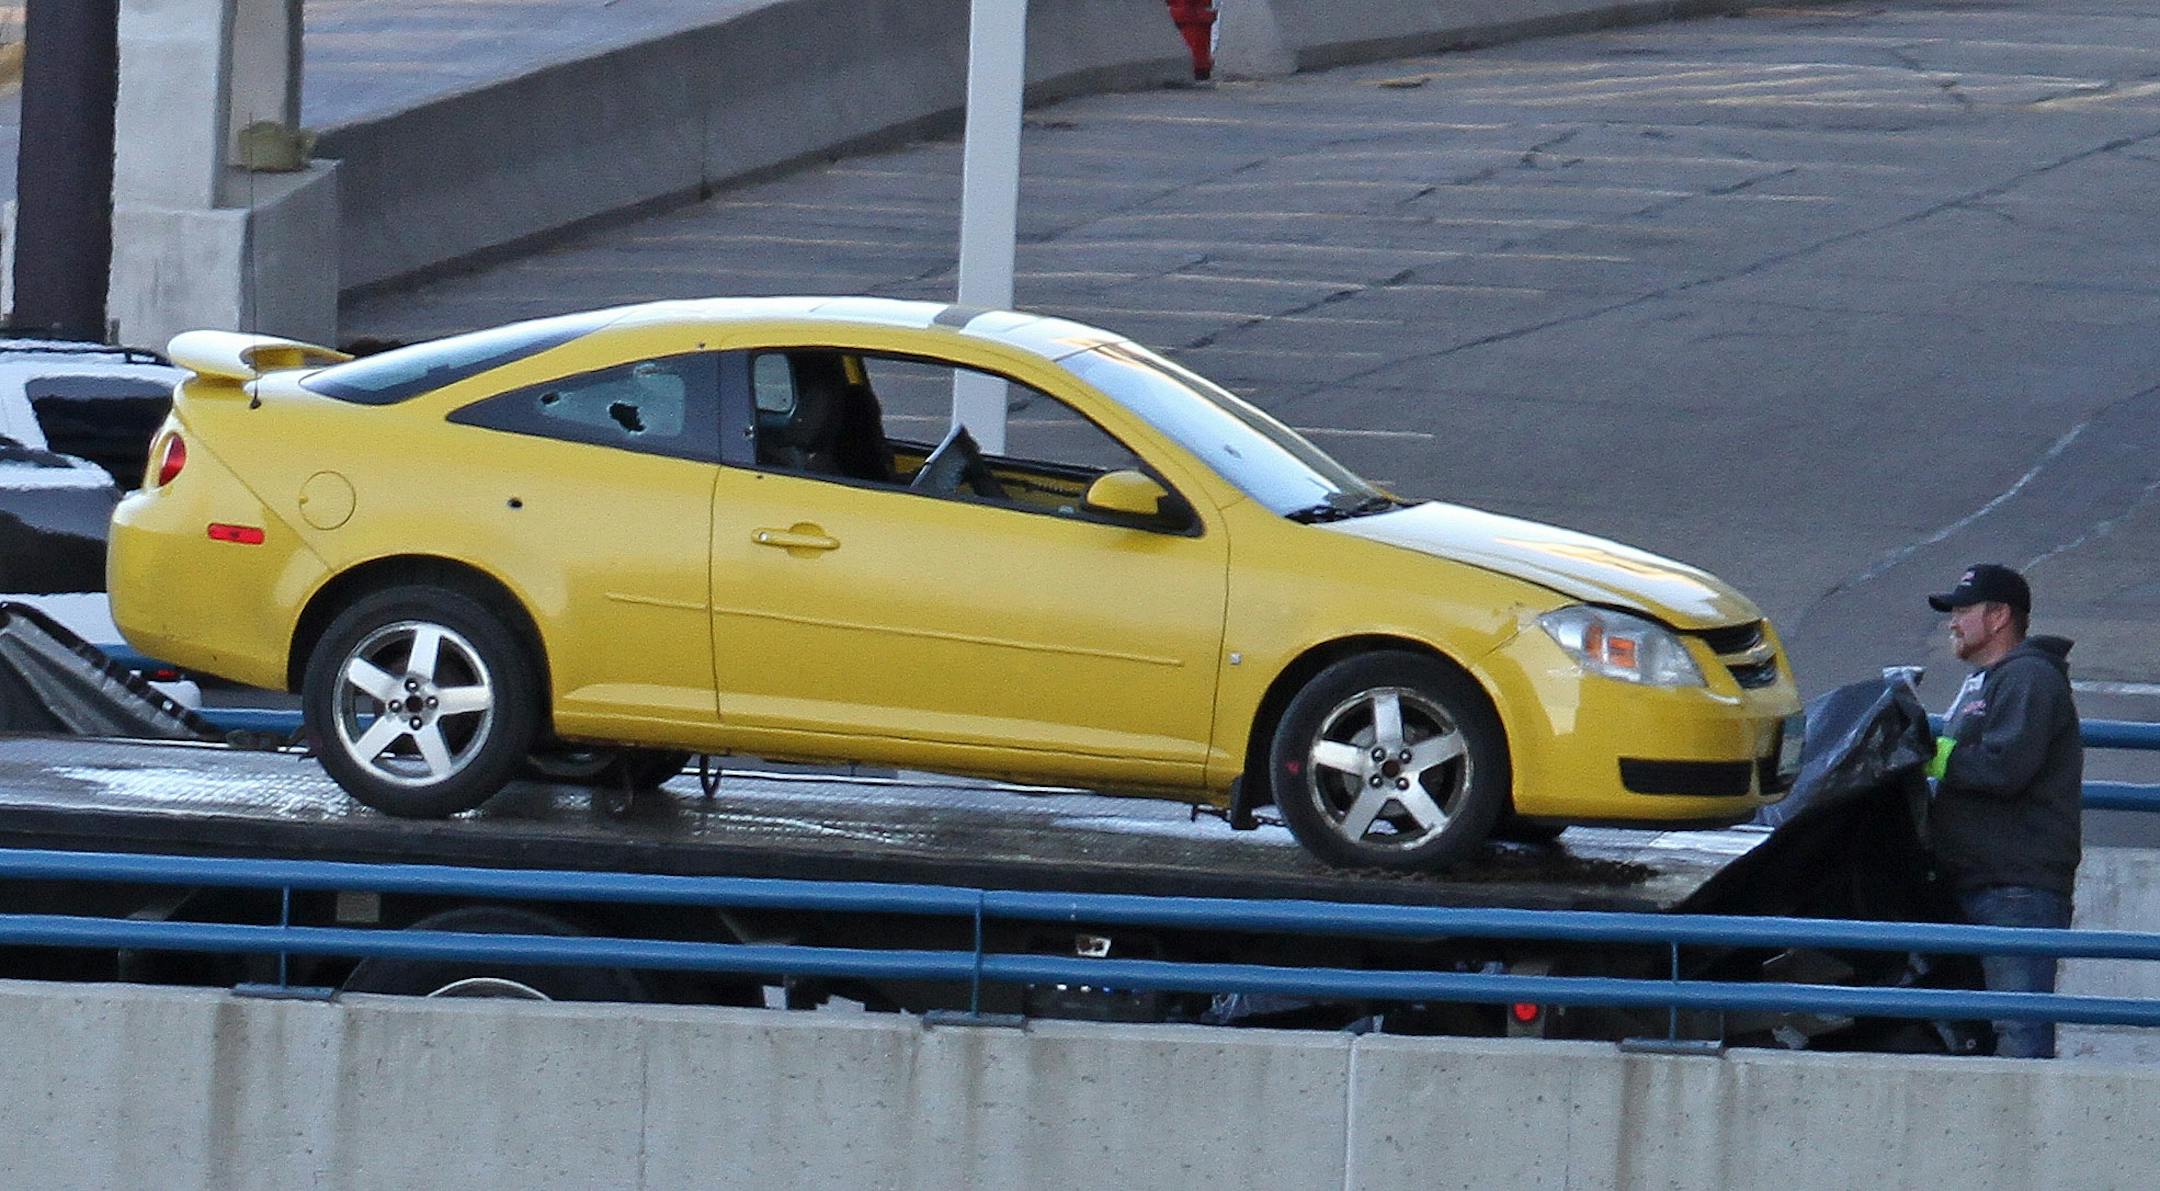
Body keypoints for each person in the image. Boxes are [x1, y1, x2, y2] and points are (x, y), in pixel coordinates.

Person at [1922, 563, 2082, 1058]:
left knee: (2020, 1034)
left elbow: (2004, 768)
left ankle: (2026, 1136)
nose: (1952, 622)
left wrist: (1930, 753)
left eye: (1963, 610)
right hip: (1978, 883)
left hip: (2015, 892)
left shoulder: (2029, 678)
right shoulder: (1990, 682)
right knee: (1979, 1034)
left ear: (1998, 618)